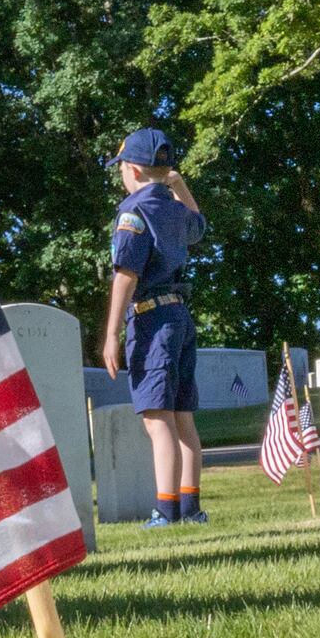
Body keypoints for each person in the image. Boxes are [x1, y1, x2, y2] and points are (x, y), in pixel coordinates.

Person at [99, 126, 209, 528]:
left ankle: (166, 511)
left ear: (133, 170)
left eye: (122, 168)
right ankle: (191, 508)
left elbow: (126, 274)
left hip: (151, 317)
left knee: (156, 418)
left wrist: (112, 333)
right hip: (180, 315)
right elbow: (200, 226)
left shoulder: (135, 212)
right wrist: (178, 184)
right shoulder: (175, 210)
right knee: (182, 417)